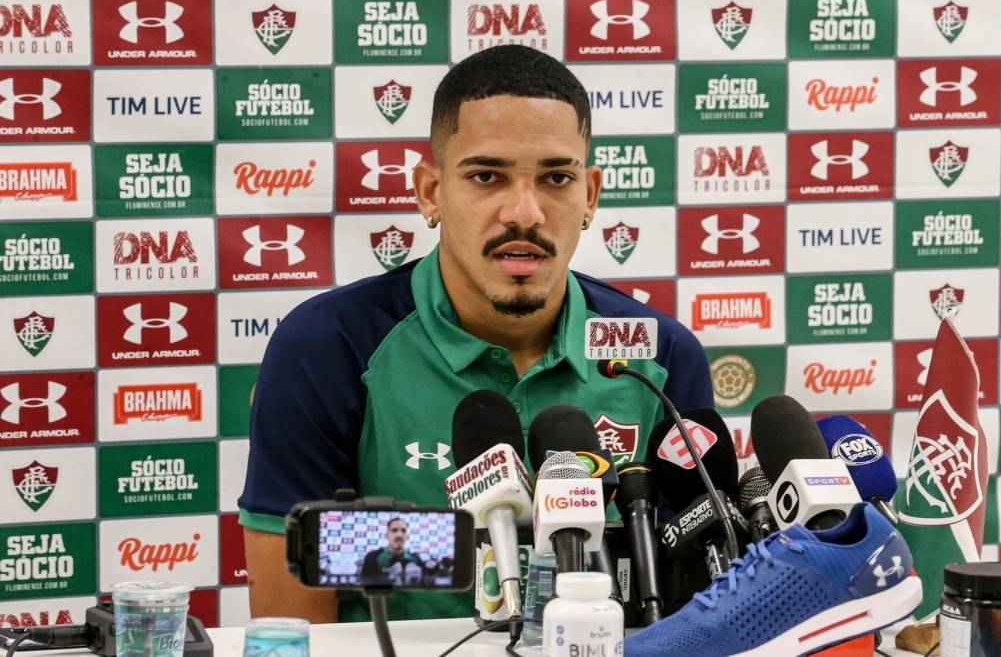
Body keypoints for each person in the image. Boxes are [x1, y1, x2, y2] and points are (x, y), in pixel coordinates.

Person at [239, 45, 714, 624]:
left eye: (556, 178)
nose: (525, 213)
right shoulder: (327, 347)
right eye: (487, 177)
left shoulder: (660, 355)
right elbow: (291, 632)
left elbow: (698, 606)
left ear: (589, 196)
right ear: (430, 192)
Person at [359, 518, 425, 587]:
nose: (399, 535)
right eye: (394, 530)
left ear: (407, 537)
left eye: (403, 531)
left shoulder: (416, 559)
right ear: (386, 536)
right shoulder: (372, 557)